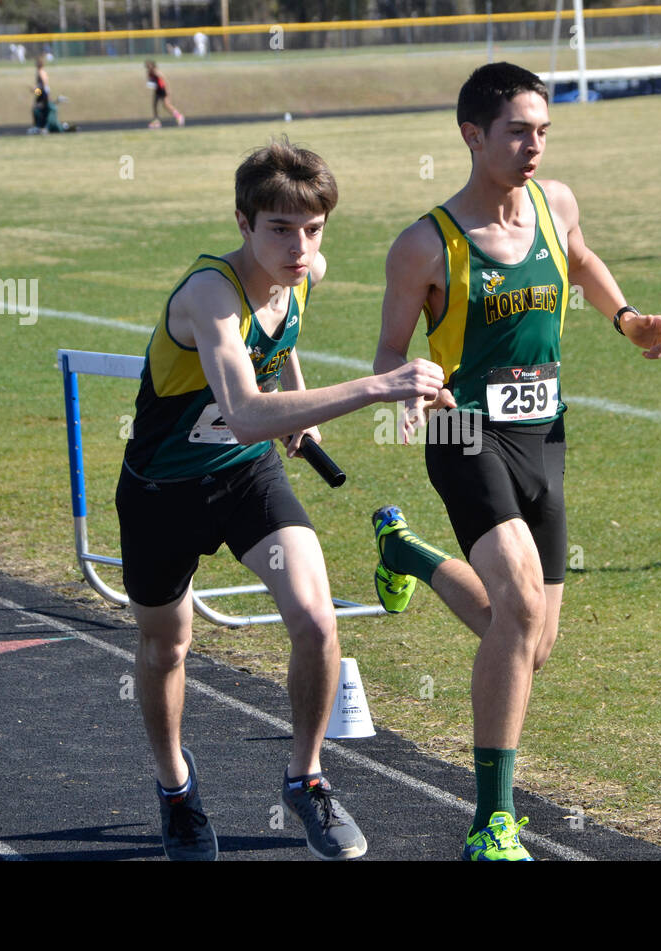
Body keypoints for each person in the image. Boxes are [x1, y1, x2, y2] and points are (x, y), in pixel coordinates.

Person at [371, 62, 661, 861]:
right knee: (519, 611)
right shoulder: (423, 245)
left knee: (532, 641)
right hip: (463, 431)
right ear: (473, 135)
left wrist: (627, 318)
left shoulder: (554, 201)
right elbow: (389, 356)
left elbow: (576, 256)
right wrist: (415, 397)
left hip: (545, 431)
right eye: (518, 131)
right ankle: (492, 821)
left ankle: (403, 550)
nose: (533, 144)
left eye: (543, 130)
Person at [115, 138, 447, 861]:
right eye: (279, 230)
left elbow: (277, 356)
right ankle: (175, 788)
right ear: (242, 222)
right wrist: (376, 386)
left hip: (245, 476)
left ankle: (306, 776)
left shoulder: (304, 272)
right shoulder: (209, 294)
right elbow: (239, 407)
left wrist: (293, 403)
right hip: (161, 491)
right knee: (166, 645)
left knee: (316, 620)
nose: (299, 248)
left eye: (313, 230)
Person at [144, 60, 185, 129]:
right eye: (147, 66)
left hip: (163, 89)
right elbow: (151, 81)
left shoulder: (156, 71)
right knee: (155, 105)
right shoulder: (149, 72)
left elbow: (164, 79)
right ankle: (157, 122)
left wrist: (168, 90)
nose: (148, 67)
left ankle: (179, 116)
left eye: (149, 66)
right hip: (157, 90)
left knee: (167, 105)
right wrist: (150, 82)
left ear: (153, 66)